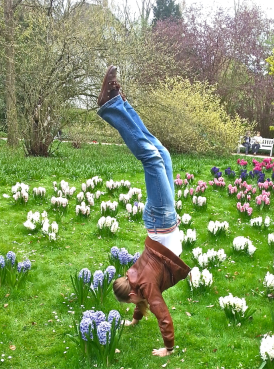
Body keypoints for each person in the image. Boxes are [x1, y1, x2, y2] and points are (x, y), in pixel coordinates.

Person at [97, 66, 191, 357]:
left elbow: (161, 313)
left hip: (161, 220)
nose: (140, 302)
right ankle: (119, 101)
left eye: (136, 302)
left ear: (134, 291)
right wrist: (134, 319)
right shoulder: (136, 279)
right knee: (162, 153)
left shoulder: (145, 286)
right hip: (164, 219)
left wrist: (169, 348)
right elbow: (143, 302)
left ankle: (109, 107)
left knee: (150, 158)